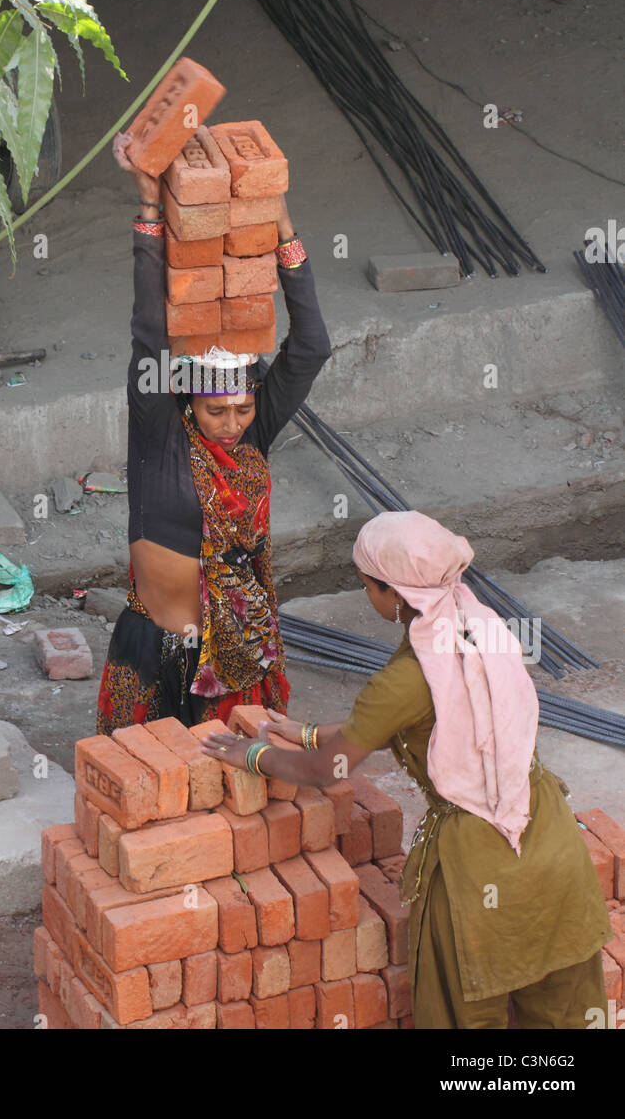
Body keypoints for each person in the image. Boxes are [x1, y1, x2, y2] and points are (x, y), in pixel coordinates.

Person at [201, 510, 612, 1029]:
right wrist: (305, 731)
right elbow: (436, 718)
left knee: (468, 1016)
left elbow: (331, 770)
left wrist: (255, 756)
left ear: (392, 592)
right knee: (564, 1018)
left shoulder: (405, 677)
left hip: (477, 863)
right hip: (549, 838)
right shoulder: (474, 621)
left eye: (367, 586)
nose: (367, 597)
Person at [96, 129, 331, 733]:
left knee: (238, 799)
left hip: (237, 647)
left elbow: (311, 347)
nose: (230, 426)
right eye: (215, 412)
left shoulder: (254, 431)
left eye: (242, 409)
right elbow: (148, 333)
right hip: (156, 651)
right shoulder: (159, 432)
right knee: (150, 794)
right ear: (186, 400)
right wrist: (150, 208)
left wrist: (280, 227)